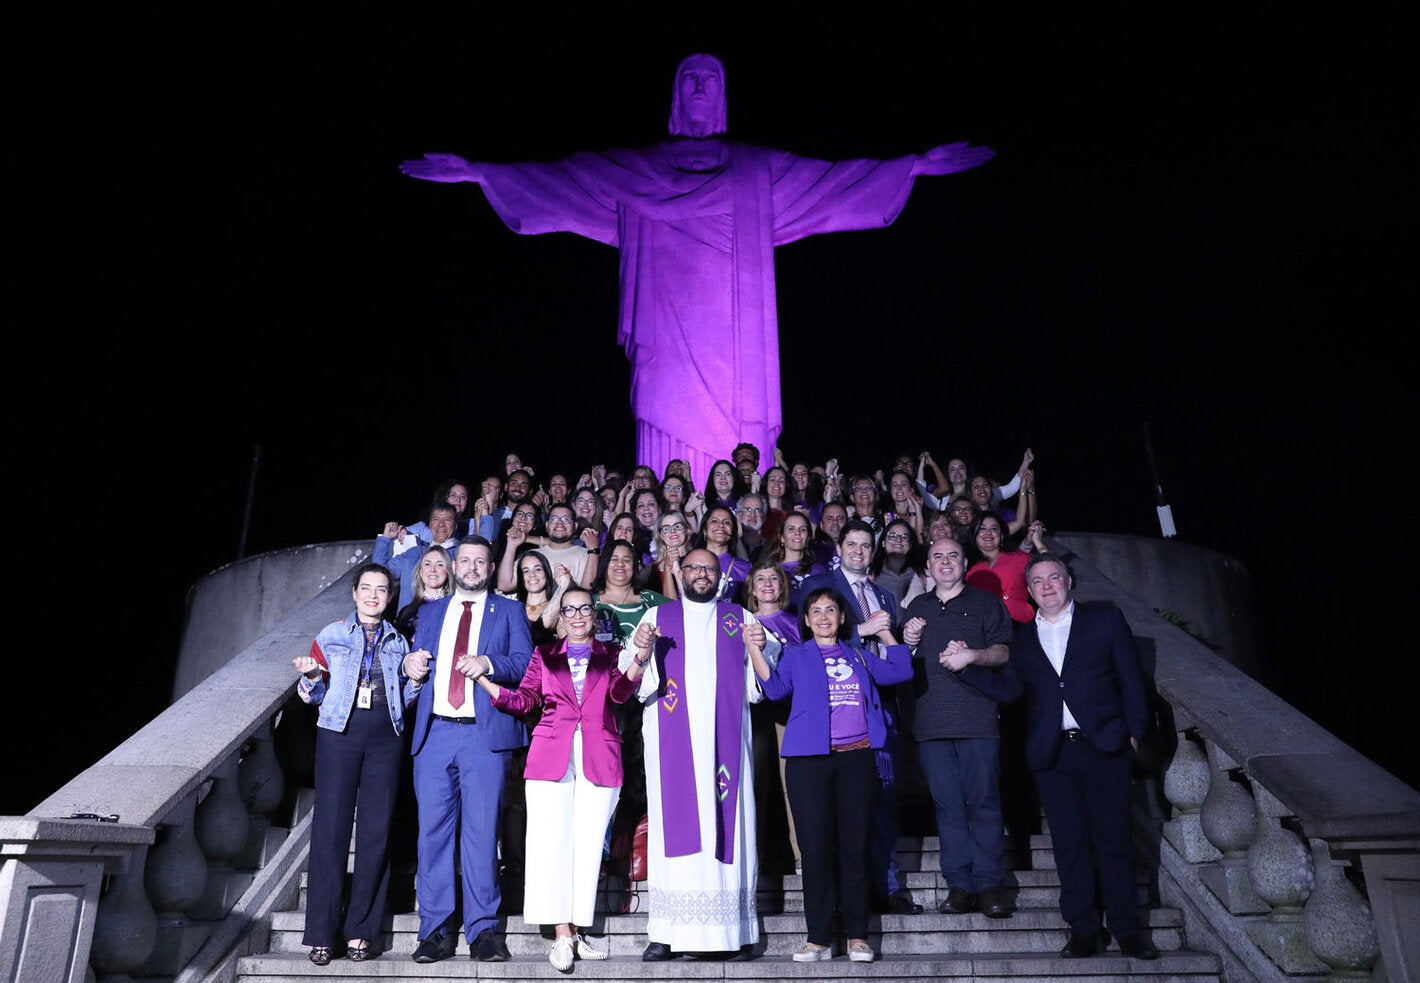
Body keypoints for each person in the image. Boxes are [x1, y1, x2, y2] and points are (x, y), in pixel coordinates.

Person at [399, 52, 992, 482]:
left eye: (712, 78)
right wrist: (484, 173)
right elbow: (563, 179)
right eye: (691, 78)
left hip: (735, 341)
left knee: (740, 442)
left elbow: (834, 181)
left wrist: (909, 166)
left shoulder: (757, 168)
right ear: (677, 96)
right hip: (665, 334)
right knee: (663, 443)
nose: (701, 86)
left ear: (724, 94)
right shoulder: (638, 168)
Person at [625, 548, 782, 960]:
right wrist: (640, 649)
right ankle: (666, 933)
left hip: (725, 745)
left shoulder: (741, 618)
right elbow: (630, 679)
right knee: (671, 831)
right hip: (670, 743)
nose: (701, 574)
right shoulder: (657, 618)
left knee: (727, 830)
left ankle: (733, 932)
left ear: (720, 576)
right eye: (693, 567)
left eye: (708, 568)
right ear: (681, 573)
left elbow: (763, 681)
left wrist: (762, 646)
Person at [476, 587, 638, 971]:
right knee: (551, 842)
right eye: (570, 609)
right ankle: (561, 933)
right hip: (551, 755)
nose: (578, 616)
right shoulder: (544, 655)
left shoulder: (611, 655)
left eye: (585, 609)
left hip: (601, 755)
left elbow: (620, 694)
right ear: (560, 617)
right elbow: (525, 701)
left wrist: (639, 660)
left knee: (587, 845)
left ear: (594, 615)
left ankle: (578, 929)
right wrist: (485, 681)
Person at [748, 586, 913, 963]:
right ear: (806, 620)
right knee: (816, 850)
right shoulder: (796, 655)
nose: (824, 617)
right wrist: (754, 649)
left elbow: (901, 670)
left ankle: (858, 937)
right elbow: (774, 690)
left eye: (831, 611)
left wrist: (886, 632)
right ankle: (819, 938)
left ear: (842, 618)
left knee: (855, 849)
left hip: (857, 761)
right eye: (816, 611)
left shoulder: (859, 653)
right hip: (809, 763)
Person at [1008, 554, 1159, 960]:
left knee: (1114, 841)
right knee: (1069, 845)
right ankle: (1083, 929)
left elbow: (1131, 677)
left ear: (1069, 581)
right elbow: (1009, 691)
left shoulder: (1103, 618)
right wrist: (965, 665)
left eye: (1053, 577)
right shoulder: (1022, 638)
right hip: (1054, 755)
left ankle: (1128, 930)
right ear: (1030, 590)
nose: (1046, 585)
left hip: (1104, 746)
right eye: (1037, 581)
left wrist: (1134, 732)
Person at [400, 536, 534, 964]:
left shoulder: (509, 610)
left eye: (481, 561)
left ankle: (484, 931)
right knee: (432, 836)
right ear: (454, 566)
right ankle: (434, 930)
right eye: (466, 560)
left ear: (492, 568)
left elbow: (527, 663)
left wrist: (489, 664)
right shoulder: (431, 611)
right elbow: (416, 661)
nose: (472, 567)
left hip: (484, 736)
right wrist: (410, 666)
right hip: (435, 734)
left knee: (481, 836)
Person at [292, 563, 415, 965]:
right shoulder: (330, 634)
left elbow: (407, 698)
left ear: (389, 596)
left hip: (386, 736)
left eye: (381, 589)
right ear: (354, 593)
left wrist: (416, 678)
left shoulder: (400, 640)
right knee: (331, 830)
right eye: (366, 588)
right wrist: (311, 677)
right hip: (338, 734)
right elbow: (311, 695)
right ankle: (322, 935)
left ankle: (362, 932)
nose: (373, 595)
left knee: (376, 834)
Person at [799, 520, 920, 915]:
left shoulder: (884, 596)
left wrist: (898, 642)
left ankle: (885, 888)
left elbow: (890, 653)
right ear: (839, 546)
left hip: (878, 709)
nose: (858, 551)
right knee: (837, 813)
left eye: (866, 546)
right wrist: (863, 629)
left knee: (881, 803)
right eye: (852, 544)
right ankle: (844, 896)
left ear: (874, 551)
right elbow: (810, 647)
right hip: (834, 718)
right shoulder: (818, 586)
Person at [901, 537, 1020, 920]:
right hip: (931, 722)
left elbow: (1002, 651)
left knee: (983, 802)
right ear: (928, 568)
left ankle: (989, 885)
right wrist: (908, 640)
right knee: (948, 805)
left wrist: (973, 654)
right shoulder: (916, 608)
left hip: (977, 720)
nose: (945, 562)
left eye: (953, 555)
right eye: (937, 557)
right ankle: (959, 885)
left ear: (965, 561)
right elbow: (903, 660)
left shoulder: (984, 603)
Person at [374, 502, 462, 613]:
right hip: (408, 626)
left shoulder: (462, 554)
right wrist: (385, 539)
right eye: (436, 519)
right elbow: (379, 573)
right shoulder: (413, 553)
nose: (441, 524)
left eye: (447, 519)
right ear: (429, 524)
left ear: (456, 525)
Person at [967, 513, 1047, 624]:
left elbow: (1052, 568)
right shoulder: (967, 567)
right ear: (974, 535)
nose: (988, 533)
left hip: (1020, 623)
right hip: (983, 627)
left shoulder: (1020, 558)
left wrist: (1038, 542)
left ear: (1002, 535)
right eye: (982, 528)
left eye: (994, 528)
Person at [394, 545, 454, 643]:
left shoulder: (456, 608)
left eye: (440, 564)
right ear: (420, 571)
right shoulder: (406, 612)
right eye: (427, 564)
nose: (433, 569)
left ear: (448, 571)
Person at [772, 510, 827, 607]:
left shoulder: (819, 570)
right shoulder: (771, 570)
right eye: (791, 529)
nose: (797, 533)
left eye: (802, 529)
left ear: (808, 538)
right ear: (782, 537)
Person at [697, 504, 750, 603]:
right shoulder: (689, 563)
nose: (721, 525)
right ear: (704, 530)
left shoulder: (745, 568)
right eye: (714, 521)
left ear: (733, 532)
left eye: (727, 523)